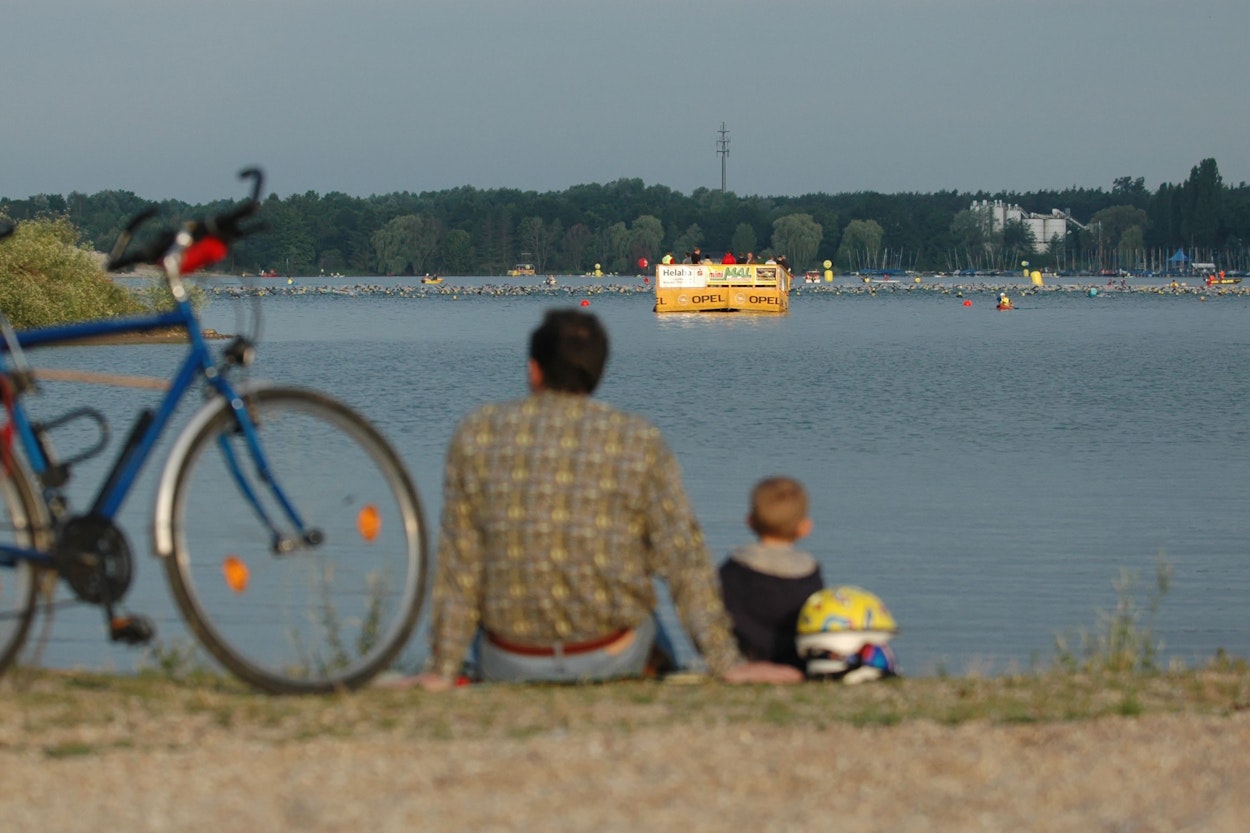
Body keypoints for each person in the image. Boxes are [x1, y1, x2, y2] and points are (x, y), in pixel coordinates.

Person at [406, 310, 802, 691]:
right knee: (648, 611)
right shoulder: (638, 440)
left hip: (510, 656)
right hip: (612, 653)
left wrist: (442, 668)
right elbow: (683, 559)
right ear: (598, 373)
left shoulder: (476, 434)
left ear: (534, 370)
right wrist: (726, 662)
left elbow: (460, 562)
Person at [718, 477, 824, 670]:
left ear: (749, 522)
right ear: (804, 528)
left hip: (745, 660)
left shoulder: (735, 568)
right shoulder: (810, 571)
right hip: (796, 663)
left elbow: (719, 613)